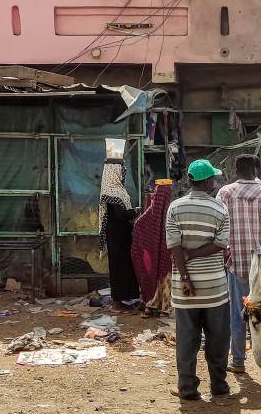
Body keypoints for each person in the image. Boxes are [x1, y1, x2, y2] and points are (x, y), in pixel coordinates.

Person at [166, 160, 230, 401]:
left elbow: (174, 246)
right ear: (206, 182)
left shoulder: (175, 207)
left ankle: (187, 388)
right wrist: (195, 254)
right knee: (218, 339)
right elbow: (221, 244)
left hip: (184, 290)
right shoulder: (220, 208)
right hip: (215, 288)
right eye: (213, 178)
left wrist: (185, 276)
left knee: (186, 340)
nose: (215, 182)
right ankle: (219, 386)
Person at [215, 154, 261, 378]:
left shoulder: (225, 193)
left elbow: (217, 223)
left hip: (235, 262)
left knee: (236, 314)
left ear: (236, 169)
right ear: (256, 168)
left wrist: (225, 247)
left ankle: (238, 361)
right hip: (260, 263)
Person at [98, 158, 140, 307]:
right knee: (119, 267)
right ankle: (121, 299)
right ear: (114, 172)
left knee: (126, 266)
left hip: (121, 235)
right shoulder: (112, 191)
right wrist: (135, 212)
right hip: (117, 236)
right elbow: (120, 215)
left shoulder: (117, 189)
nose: (123, 173)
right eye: (121, 170)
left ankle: (129, 296)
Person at [131, 179, 174, 317]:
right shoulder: (172, 211)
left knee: (153, 279)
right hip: (167, 256)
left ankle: (151, 305)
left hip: (151, 258)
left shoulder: (149, 214)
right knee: (166, 279)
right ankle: (165, 308)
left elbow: (138, 225)